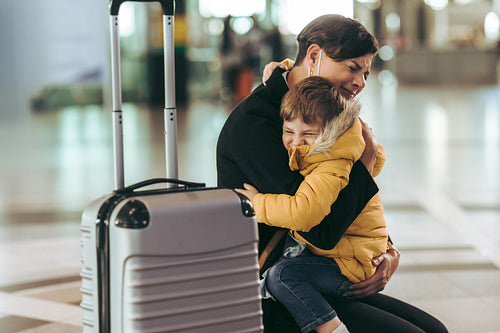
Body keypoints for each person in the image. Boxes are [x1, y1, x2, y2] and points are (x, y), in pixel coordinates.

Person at [216, 14, 448, 333]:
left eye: (366, 73)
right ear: (314, 56)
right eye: (353, 68)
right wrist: (364, 163)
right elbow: (320, 229)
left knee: (434, 329)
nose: (360, 83)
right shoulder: (257, 125)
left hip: (317, 270)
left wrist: (386, 251)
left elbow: (340, 194)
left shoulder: (324, 113)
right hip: (271, 287)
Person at [235, 76, 390, 333]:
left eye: (308, 134)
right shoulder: (330, 152)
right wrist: (281, 68)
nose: (296, 142)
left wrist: (257, 203)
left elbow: (304, 214)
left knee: (283, 276)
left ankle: (332, 328)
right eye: (288, 131)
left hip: (350, 262)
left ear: (330, 132)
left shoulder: (331, 164)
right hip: (352, 253)